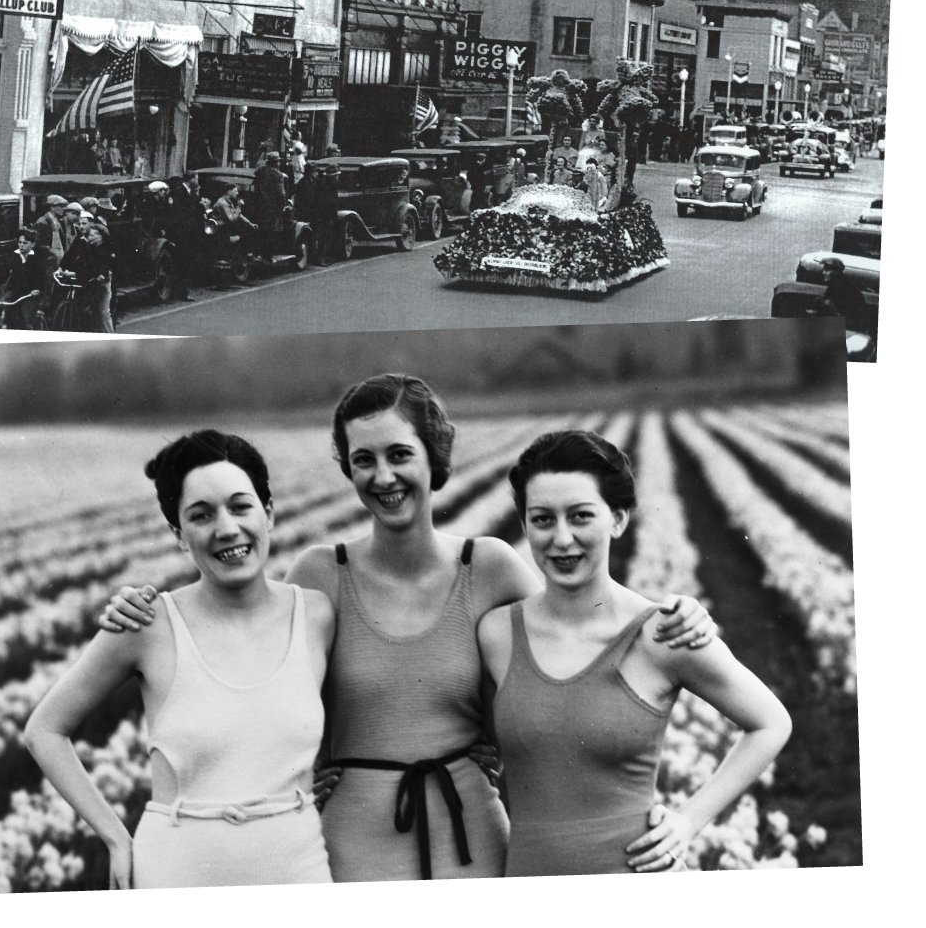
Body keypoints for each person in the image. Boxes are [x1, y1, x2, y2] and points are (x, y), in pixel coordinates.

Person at [100, 376, 715, 882]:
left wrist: (671, 614)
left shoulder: (492, 566)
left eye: (400, 454)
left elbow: (573, 645)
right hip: (350, 839)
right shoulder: (319, 573)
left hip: (473, 834)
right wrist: (142, 608)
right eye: (363, 460)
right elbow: (248, 667)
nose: (383, 476)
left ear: (432, 457)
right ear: (348, 468)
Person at [25, 430, 335, 887]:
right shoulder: (148, 624)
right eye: (201, 515)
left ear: (268, 513)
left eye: (240, 506)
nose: (226, 528)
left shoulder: (318, 614)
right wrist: (115, 837)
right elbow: (44, 730)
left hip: (297, 863)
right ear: (179, 536)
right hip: (177, 868)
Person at [478, 428, 792, 877]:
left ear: (619, 519)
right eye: (543, 519)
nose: (562, 539)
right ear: (524, 525)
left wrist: (688, 820)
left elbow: (771, 722)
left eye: (581, 516)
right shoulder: (497, 633)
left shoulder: (662, 633)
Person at [0, 227, 50, 330]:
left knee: (27, 319)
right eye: (20, 242)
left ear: (33, 244)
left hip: (30, 294)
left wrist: (38, 290)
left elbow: (42, 278)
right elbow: (3, 273)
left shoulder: (37, 258)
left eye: (25, 243)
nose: (21, 245)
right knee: (1, 305)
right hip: (15, 291)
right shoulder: (14, 256)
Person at [59, 224, 116, 333]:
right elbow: (78, 261)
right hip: (87, 282)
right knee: (83, 309)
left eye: (92, 235)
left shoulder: (106, 251)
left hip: (101, 286)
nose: (89, 237)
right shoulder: (88, 248)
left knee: (103, 313)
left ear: (100, 237)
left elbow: (102, 268)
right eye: (89, 235)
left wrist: (100, 275)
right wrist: (64, 269)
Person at [167, 172, 205, 300]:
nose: (198, 181)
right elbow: (179, 214)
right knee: (182, 263)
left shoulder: (190, 192)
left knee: (186, 263)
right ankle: (179, 292)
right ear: (191, 179)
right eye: (196, 178)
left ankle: (182, 291)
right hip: (182, 234)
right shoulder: (179, 192)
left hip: (188, 233)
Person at [819, 257, 875, 334]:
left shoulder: (842, 285)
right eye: (824, 270)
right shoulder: (835, 283)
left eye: (827, 270)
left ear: (836, 272)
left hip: (852, 326)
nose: (823, 273)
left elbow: (835, 307)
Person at [251, 152, 289, 261]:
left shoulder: (260, 171)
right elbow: (281, 194)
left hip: (259, 205)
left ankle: (258, 252)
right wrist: (282, 206)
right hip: (272, 207)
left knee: (261, 230)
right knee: (271, 232)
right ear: (276, 163)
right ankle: (268, 256)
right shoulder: (278, 175)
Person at [310, 164, 339, 266]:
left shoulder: (327, 185)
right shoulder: (325, 186)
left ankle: (325, 256)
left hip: (327, 214)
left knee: (327, 236)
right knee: (323, 237)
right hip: (324, 215)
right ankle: (321, 258)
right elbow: (323, 201)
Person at [33, 194, 68, 264]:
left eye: (64, 206)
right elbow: (37, 244)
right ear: (52, 207)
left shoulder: (58, 221)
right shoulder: (42, 222)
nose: (63, 209)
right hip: (48, 261)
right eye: (61, 206)